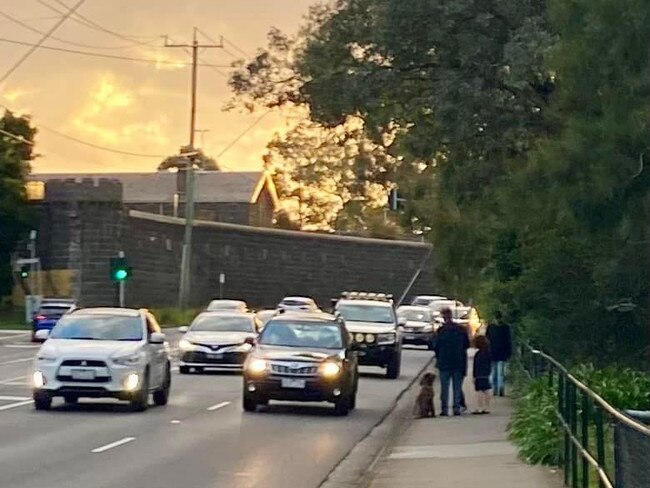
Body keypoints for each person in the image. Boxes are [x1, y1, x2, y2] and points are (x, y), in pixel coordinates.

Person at [434, 308, 470, 416]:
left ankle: (444, 409)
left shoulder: (441, 331)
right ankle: (456, 408)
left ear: (443, 317)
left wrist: (439, 356)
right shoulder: (461, 330)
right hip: (458, 362)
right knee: (457, 387)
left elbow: (435, 346)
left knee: (444, 388)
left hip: (444, 362)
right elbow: (467, 344)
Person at [486, 311, 512, 396]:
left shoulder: (491, 327)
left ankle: (498, 388)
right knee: (497, 372)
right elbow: (508, 341)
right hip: (497, 352)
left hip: (496, 352)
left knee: (498, 372)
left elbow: (487, 340)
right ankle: (497, 388)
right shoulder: (505, 327)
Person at [472, 334, 492, 414]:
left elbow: (475, 365)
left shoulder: (478, 354)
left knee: (479, 391)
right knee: (487, 390)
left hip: (479, 374)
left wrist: (474, 376)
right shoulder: (488, 353)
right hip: (486, 374)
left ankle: (480, 407)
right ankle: (487, 407)